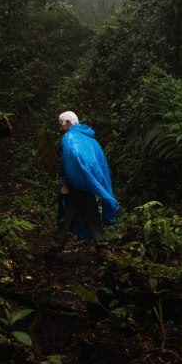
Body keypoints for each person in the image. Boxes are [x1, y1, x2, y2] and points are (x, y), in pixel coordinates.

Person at [45, 111, 119, 261]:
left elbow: (71, 161)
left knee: (66, 214)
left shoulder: (69, 137)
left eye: (61, 125)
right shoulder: (90, 138)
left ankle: (56, 248)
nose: (61, 129)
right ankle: (103, 247)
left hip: (75, 183)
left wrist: (68, 181)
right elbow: (98, 162)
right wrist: (92, 181)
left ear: (67, 122)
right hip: (87, 183)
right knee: (90, 213)